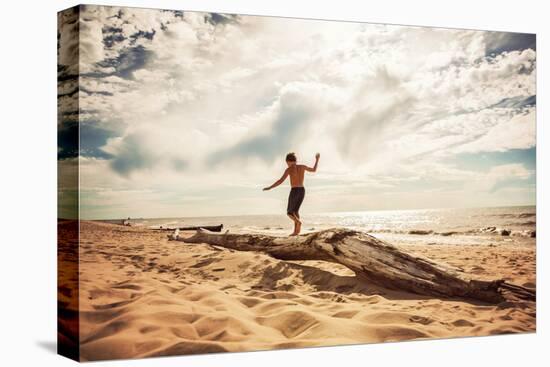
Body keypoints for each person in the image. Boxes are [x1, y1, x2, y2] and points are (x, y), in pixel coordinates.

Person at [263, 152, 320, 235]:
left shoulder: (289, 169)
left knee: (289, 213)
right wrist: (317, 160)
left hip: (295, 190)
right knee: (296, 211)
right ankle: (296, 231)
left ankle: (298, 223)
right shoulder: (302, 167)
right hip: (302, 190)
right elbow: (314, 170)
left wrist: (270, 187)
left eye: (287, 163)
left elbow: (280, 181)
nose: (287, 165)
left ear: (289, 161)